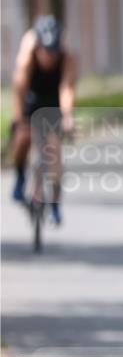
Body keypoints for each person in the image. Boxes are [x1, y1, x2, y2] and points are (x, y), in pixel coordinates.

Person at [10, 16, 77, 224]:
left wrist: (67, 117)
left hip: (52, 101)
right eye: (46, 52)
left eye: (54, 52)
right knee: (22, 137)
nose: (50, 57)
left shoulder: (67, 59)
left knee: (54, 150)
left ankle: (55, 204)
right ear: (39, 48)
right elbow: (19, 90)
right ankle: (20, 176)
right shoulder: (27, 58)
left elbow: (66, 89)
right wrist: (19, 117)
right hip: (31, 99)